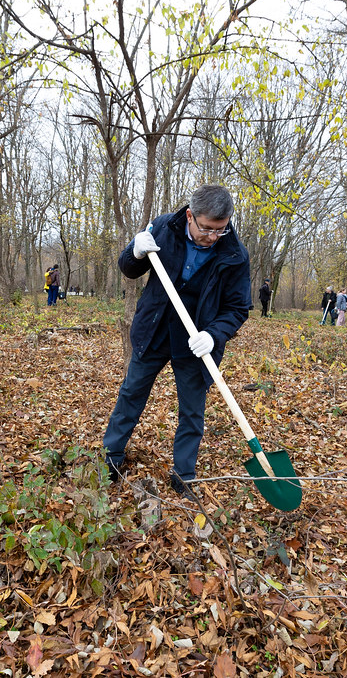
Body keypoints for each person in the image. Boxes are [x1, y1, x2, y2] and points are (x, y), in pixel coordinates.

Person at [103, 185, 250, 499]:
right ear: (190, 216)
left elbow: (238, 308)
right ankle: (110, 459)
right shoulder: (164, 229)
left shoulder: (235, 254)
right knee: (131, 394)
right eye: (207, 228)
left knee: (192, 412)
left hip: (197, 342)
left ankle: (184, 477)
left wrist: (214, 334)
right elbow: (129, 268)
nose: (212, 237)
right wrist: (135, 250)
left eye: (220, 230)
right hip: (154, 330)